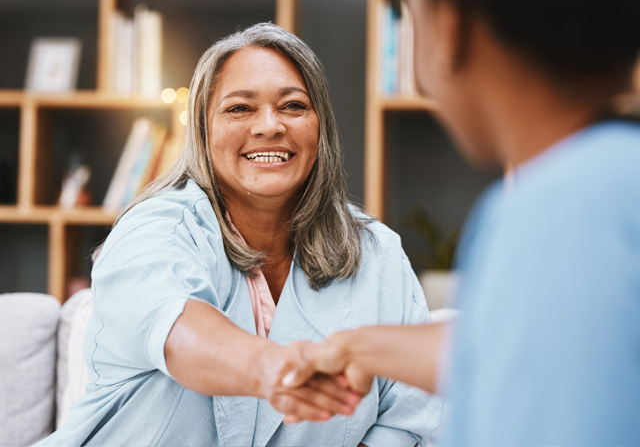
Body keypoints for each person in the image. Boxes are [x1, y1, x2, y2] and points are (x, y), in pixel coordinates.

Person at [34, 23, 441, 447]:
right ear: (203, 130)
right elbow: (177, 329)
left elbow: (413, 416)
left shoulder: (377, 251)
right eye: (240, 108)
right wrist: (275, 370)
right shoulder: (154, 229)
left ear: (320, 127)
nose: (270, 126)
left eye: (293, 106)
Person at [282, 0, 640, 445]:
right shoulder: (611, 181)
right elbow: (543, 351)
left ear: (448, 26)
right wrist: (359, 347)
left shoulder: (555, 214)